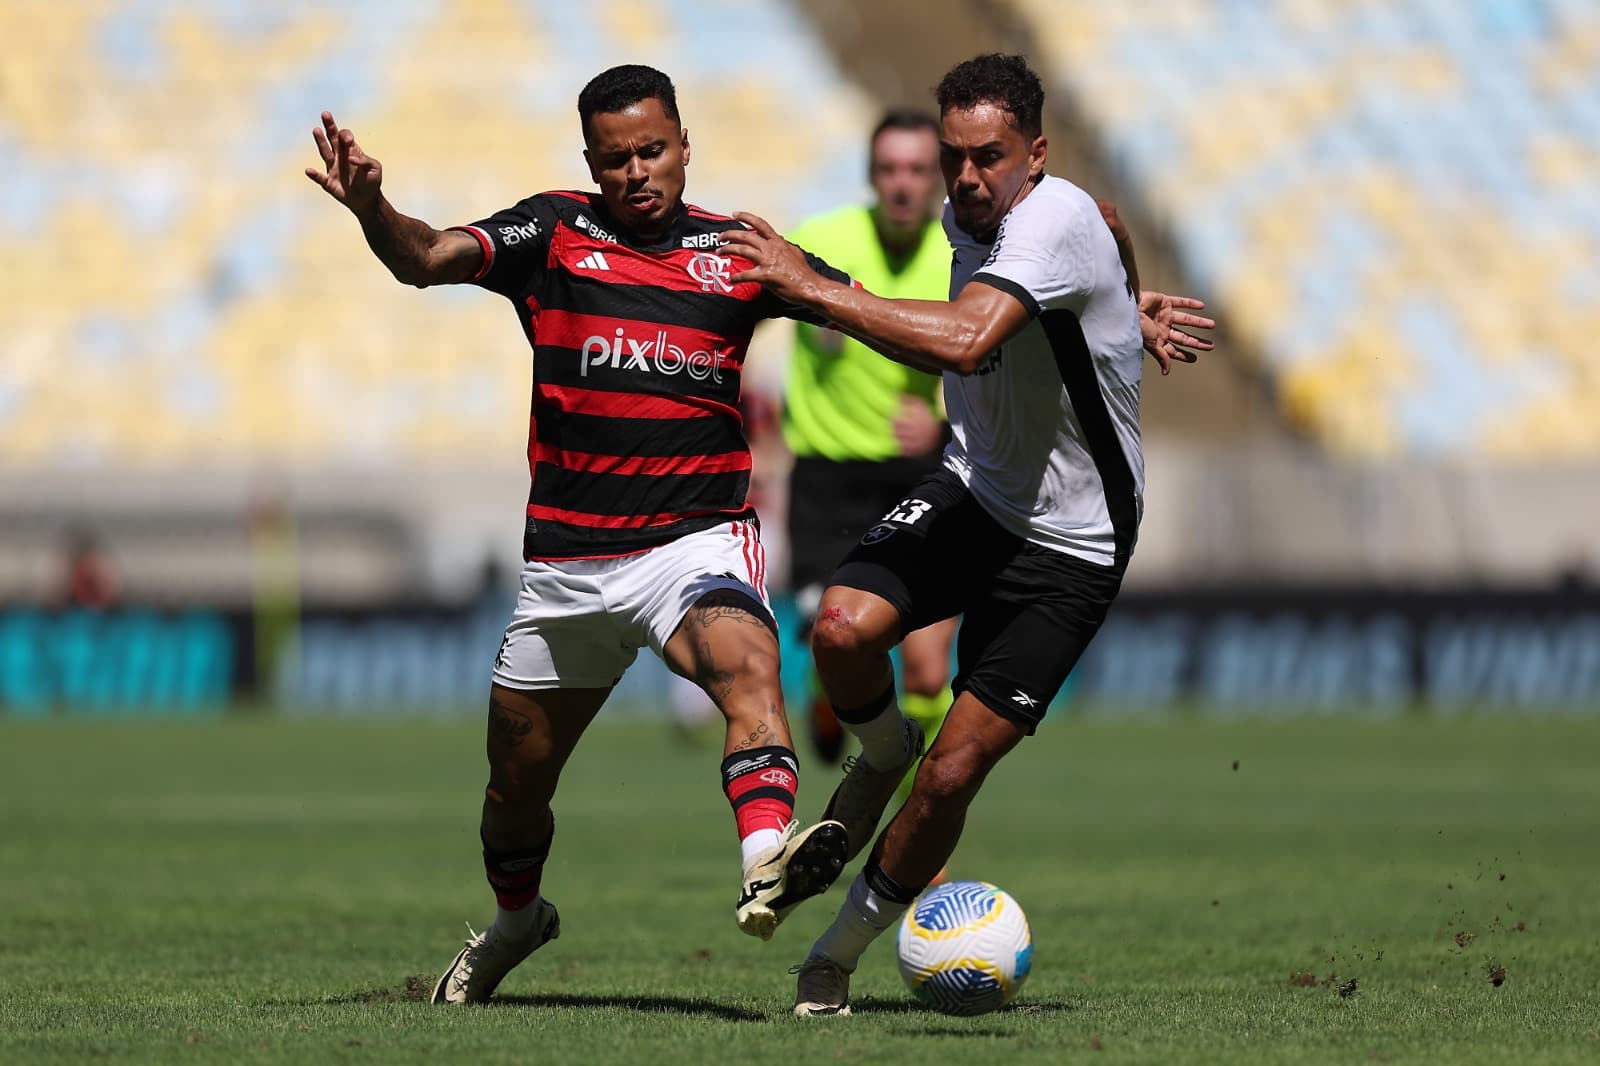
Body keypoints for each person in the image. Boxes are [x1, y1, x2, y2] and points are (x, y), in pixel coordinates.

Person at [306, 64, 854, 1006]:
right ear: (590, 165)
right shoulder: (556, 232)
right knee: (513, 793)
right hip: (566, 567)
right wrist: (372, 207)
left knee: (748, 663)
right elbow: (427, 256)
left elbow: (885, 321)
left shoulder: (742, 252)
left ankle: (767, 859)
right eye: (615, 160)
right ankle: (518, 924)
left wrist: (1065, 316)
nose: (637, 172)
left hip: (694, 542)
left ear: (685, 145)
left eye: (652, 151)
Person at [719, 52, 1214, 1016]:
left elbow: (965, 336)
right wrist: (1126, 303)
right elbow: (1113, 234)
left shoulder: (1052, 217)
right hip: (979, 489)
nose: (964, 180)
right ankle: (880, 750)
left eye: (987, 158)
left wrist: (812, 290)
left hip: (1073, 543)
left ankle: (835, 953)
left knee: (954, 773)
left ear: (1036, 153)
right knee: (841, 630)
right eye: (953, 159)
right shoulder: (978, 210)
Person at [780, 110, 958, 768]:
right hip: (826, 485)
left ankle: (915, 847)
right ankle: (829, 706)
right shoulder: (819, 243)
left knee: (928, 675)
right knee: (839, 657)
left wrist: (942, 425)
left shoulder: (961, 258)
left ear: (938, 177)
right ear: (871, 176)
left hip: (921, 482)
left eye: (917, 169)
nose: (903, 184)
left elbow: (1004, 369)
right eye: (890, 170)